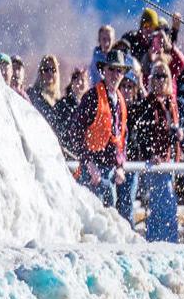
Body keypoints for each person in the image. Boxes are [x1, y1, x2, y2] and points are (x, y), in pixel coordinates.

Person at [133, 62, 183, 242]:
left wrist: (177, 134)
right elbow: (142, 134)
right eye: (157, 76)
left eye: (164, 76)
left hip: (169, 163)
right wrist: (149, 154)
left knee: (168, 207)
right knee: (162, 206)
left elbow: (170, 133)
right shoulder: (148, 104)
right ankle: (157, 242)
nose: (161, 80)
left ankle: (168, 242)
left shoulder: (172, 103)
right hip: (155, 165)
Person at [75, 48, 128, 208]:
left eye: (119, 70)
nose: (115, 74)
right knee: (90, 224)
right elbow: (76, 133)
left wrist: (121, 165)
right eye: (111, 69)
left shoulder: (120, 101)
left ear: (123, 73)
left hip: (111, 174)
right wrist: (88, 164)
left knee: (109, 225)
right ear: (103, 70)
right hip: (91, 173)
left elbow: (122, 138)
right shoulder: (91, 97)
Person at [117, 62, 148, 227]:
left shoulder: (137, 109)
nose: (127, 90)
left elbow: (149, 104)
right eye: (124, 86)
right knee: (115, 204)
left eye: (130, 87)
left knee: (127, 203)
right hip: (116, 163)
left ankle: (128, 233)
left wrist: (141, 84)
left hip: (131, 163)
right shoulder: (115, 107)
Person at [55, 68, 88, 154]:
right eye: (77, 79)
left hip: (84, 155)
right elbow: (61, 131)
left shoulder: (90, 106)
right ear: (72, 83)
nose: (80, 83)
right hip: (67, 154)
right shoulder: (63, 105)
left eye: (83, 80)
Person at [28, 55, 62, 131]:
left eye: (53, 69)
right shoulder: (32, 95)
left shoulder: (60, 101)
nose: (50, 73)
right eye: (46, 69)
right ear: (40, 72)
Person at [121, 8, 161, 73]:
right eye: (146, 25)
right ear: (141, 27)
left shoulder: (155, 43)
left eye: (152, 26)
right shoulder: (131, 38)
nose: (149, 29)